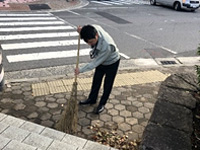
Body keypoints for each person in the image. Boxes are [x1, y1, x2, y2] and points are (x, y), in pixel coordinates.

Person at [75, 24, 120, 114]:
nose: (90, 44)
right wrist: (82, 30)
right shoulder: (94, 28)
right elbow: (88, 28)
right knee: (96, 80)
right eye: (88, 42)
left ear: (96, 35)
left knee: (107, 85)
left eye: (92, 42)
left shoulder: (107, 46)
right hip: (101, 61)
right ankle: (92, 99)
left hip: (112, 63)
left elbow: (95, 63)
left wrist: (80, 70)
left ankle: (102, 104)